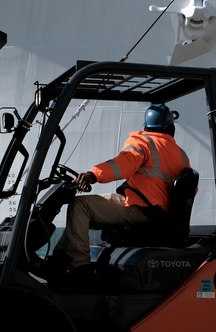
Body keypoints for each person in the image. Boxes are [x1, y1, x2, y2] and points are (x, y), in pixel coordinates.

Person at [51, 103, 190, 270]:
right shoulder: (181, 155)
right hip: (159, 213)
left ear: (147, 126)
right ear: (169, 127)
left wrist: (93, 175)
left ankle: (79, 268)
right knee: (88, 209)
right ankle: (59, 257)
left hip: (141, 208)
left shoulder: (144, 142)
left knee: (80, 205)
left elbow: (122, 165)